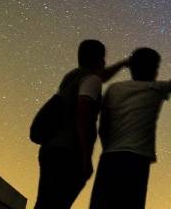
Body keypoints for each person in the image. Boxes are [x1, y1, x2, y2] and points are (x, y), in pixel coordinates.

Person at [89, 48, 171, 209]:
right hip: (137, 159)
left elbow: (103, 126)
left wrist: (124, 62)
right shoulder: (155, 88)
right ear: (153, 68)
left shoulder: (114, 89)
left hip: (110, 157)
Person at [34, 39, 128, 209]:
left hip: (51, 148)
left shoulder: (73, 76)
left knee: (45, 203)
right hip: (68, 153)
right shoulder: (92, 81)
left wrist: (123, 63)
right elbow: (83, 116)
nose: (105, 61)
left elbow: (101, 76)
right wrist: (86, 156)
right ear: (99, 59)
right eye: (103, 57)